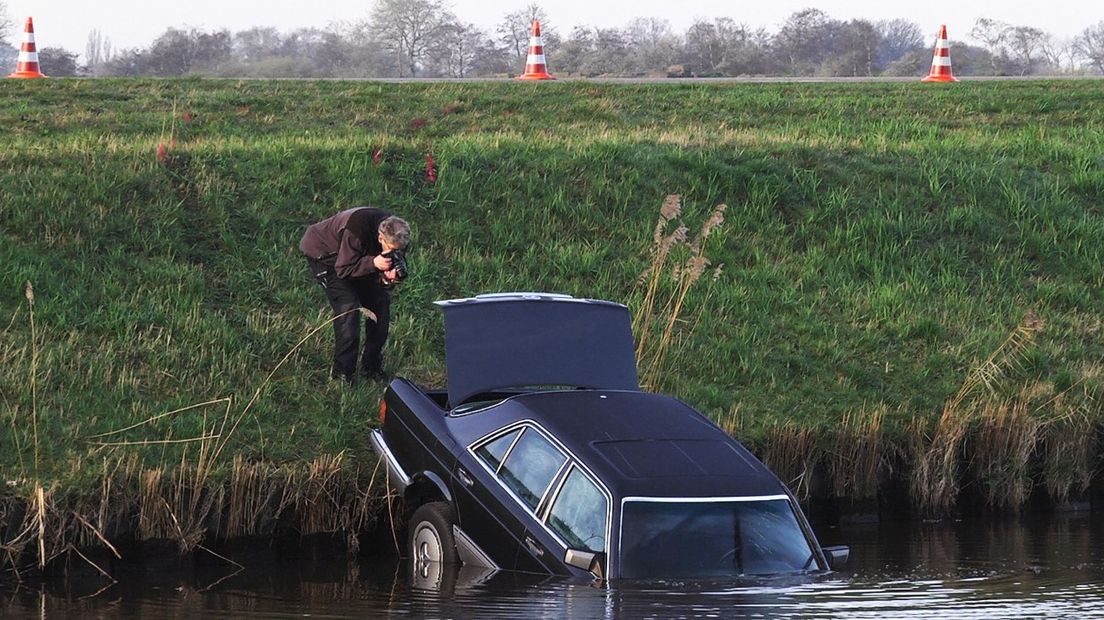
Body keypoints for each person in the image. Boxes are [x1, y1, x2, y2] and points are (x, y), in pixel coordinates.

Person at [300, 207, 411, 383]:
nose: (395, 253)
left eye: (399, 250)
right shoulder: (357, 230)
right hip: (326, 256)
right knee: (348, 308)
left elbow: (381, 274)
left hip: (358, 257)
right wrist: (373, 263)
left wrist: (387, 279)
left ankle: (372, 366)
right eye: (391, 249)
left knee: (380, 302)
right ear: (380, 238)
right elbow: (343, 269)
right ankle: (343, 375)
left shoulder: (398, 235)